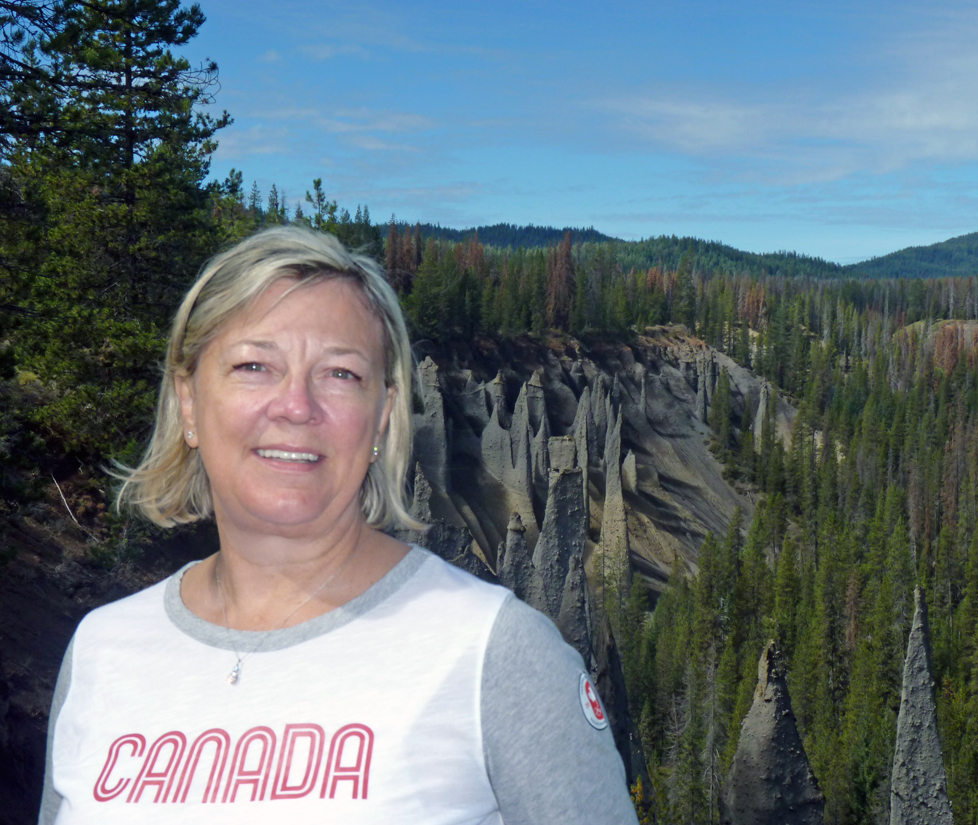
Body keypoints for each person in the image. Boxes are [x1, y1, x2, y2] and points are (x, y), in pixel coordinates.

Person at [38, 226, 638, 824]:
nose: (296, 406)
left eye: (341, 373)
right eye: (253, 365)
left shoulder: (495, 653)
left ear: (383, 416)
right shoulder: (101, 652)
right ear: (189, 402)